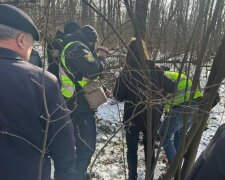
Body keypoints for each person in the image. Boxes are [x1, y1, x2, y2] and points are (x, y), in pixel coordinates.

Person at [0, 4, 76, 180]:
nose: (31, 51)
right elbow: (64, 150)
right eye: (31, 46)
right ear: (21, 40)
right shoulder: (43, 82)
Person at [113, 38, 175, 180]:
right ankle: (149, 176)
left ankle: (132, 177)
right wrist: (161, 95)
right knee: (149, 150)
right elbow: (172, 87)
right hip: (151, 118)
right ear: (145, 52)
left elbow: (118, 96)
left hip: (131, 117)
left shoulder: (126, 72)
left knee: (132, 150)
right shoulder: (155, 70)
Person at [59, 25, 109, 180]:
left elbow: (82, 75)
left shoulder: (74, 47)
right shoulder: (76, 47)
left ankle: (77, 175)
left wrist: (103, 88)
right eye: (93, 43)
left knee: (80, 148)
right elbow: (92, 69)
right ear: (90, 40)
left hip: (76, 103)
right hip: (78, 107)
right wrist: (101, 57)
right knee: (86, 148)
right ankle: (77, 176)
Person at [159, 70, 202, 164]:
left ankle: (175, 167)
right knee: (180, 134)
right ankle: (178, 168)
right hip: (196, 106)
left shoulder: (160, 77)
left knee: (164, 134)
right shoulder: (173, 74)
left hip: (182, 106)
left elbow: (161, 100)